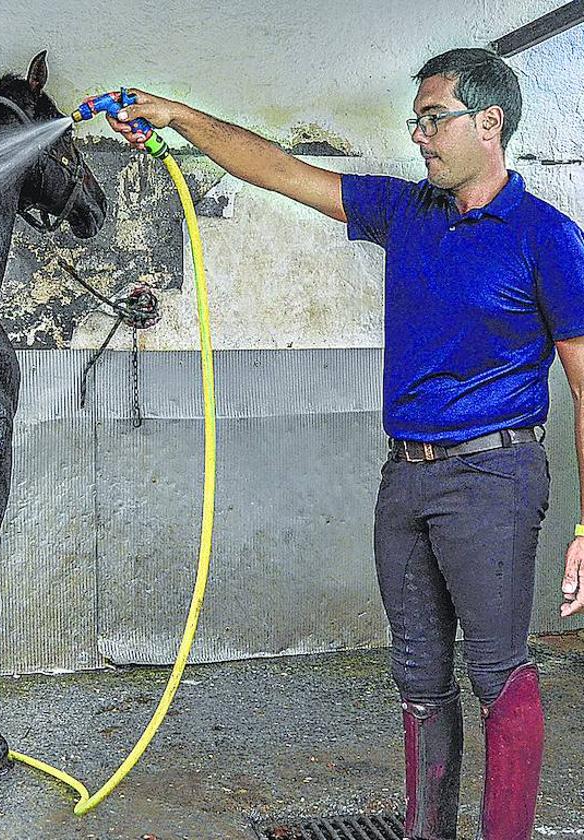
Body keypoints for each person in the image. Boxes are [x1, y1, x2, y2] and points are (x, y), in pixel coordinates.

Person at [108, 48, 584, 840]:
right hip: (405, 479)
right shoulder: (406, 211)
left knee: (498, 672)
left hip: (495, 474)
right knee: (419, 678)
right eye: (418, 120)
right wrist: (178, 116)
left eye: (434, 118)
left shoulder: (547, 239)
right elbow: (282, 172)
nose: (420, 135)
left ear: (490, 123)